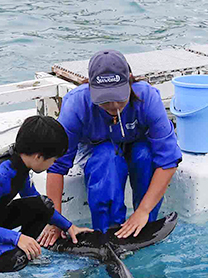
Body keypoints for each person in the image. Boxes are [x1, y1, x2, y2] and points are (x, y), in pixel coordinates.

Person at [37, 49, 182, 248]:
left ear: (129, 81)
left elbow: (168, 160)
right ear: (90, 87)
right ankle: (107, 233)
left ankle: (143, 226)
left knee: (144, 156)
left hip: (138, 144)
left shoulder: (147, 97)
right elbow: (56, 165)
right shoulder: (76, 104)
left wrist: (143, 211)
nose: (113, 105)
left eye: (119, 98)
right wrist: (55, 220)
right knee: (106, 159)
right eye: (104, 100)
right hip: (97, 150)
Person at [0, 115, 91, 276]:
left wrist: (68, 226)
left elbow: (36, 203)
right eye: (53, 160)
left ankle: (26, 249)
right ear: (38, 156)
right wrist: (17, 238)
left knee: (43, 204)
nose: (53, 165)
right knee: (16, 259)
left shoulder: (20, 166)